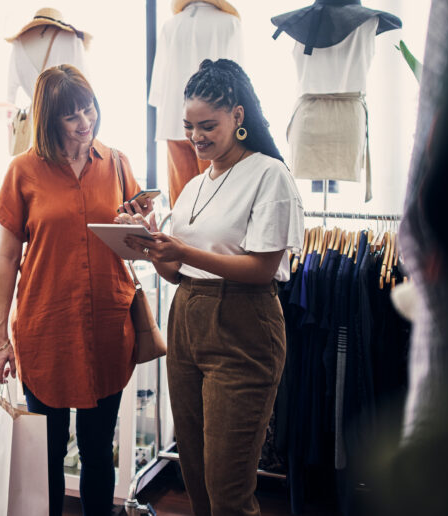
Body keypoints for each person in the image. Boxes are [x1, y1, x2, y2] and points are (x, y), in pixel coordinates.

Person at [118, 59, 304, 516]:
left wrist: (181, 249)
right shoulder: (195, 186)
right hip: (186, 318)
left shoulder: (269, 176)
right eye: (189, 127)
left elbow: (262, 269)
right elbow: (177, 274)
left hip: (243, 325)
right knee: (197, 477)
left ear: (238, 117)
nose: (196, 137)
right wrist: (151, 247)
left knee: (228, 487)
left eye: (208, 126)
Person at [0, 64, 146, 516]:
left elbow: (136, 246)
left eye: (89, 108)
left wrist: (140, 229)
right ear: (48, 119)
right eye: (71, 115)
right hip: (46, 330)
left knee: (98, 452)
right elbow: (5, 259)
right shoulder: (22, 171)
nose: (85, 121)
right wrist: (0, 339)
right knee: (47, 455)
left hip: (108, 328)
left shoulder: (116, 163)